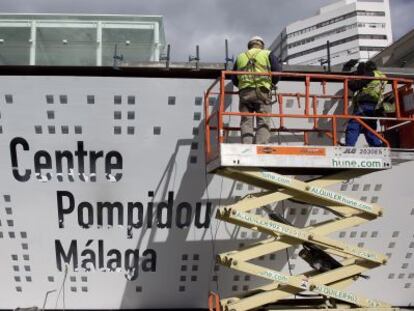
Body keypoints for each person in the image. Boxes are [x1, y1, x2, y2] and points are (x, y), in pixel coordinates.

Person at [231, 36, 281, 144]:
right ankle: (261, 145)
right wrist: (272, 84)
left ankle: (247, 145)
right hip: (263, 92)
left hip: (245, 93)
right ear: (262, 45)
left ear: (249, 46)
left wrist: (243, 86)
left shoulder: (240, 57)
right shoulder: (267, 54)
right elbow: (277, 72)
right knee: (263, 119)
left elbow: (234, 78)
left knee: (246, 121)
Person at [343, 60, 386, 147]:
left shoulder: (371, 75)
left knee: (354, 125)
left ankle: (349, 147)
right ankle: (377, 147)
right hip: (374, 105)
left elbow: (354, 86)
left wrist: (349, 78)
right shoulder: (382, 75)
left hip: (364, 104)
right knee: (369, 129)